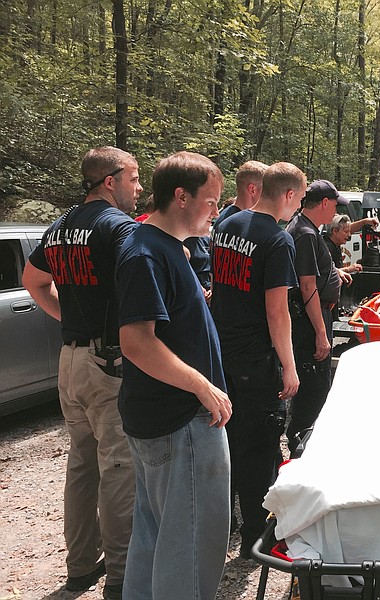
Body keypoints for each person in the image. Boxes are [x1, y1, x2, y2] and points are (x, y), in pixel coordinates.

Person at [21, 146, 141, 600]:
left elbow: (35, 282)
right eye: (133, 178)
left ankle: (79, 565)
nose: (138, 187)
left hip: (70, 360)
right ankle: (121, 573)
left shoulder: (60, 226)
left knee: (81, 463)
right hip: (107, 361)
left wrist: (68, 320)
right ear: (109, 180)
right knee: (118, 465)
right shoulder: (119, 228)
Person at [115, 151, 232, 599]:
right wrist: (203, 387)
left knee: (156, 537)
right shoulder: (145, 252)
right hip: (179, 421)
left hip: (163, 420)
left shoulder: (167, 248)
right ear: (181, 197)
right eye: (211, 202)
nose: (217, 213)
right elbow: (137, 342)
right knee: (191, 548)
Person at [211, 162, 305, 559]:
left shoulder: (227, 225)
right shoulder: (278, 240)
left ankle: (222, 528)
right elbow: (276, 311)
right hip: (255, 359)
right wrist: (290, 364)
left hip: (221, 353)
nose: (297, 207)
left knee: (227, 442)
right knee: (261, 451)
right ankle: (257, 538)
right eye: (299, 199)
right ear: (286, 195)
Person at [285, 179, 349, 457]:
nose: (335, 211)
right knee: (314, 385)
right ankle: (301, 442)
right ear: (324, 204)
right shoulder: (306, 234)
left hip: (315, 314)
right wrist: (321, 334)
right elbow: (307, 285)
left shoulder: (307, 228)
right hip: (309, 321)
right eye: (334, 205)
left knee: (315, 384)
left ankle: (303, 438)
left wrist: (334, 273)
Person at [214, 160, 269, 228]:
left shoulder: (225, 215)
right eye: (266, 190)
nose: (268, 195)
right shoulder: (239, 223)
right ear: (252, 190)